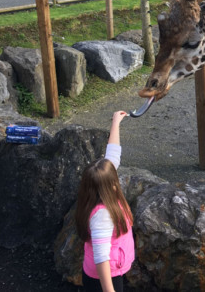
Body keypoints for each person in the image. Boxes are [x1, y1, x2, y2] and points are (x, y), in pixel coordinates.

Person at [76, 111, 134, 292]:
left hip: (109, 270)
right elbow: (101, 257)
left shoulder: (98, 188)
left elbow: (113, 154)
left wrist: (116, 122)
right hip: (103, 279)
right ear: (111, 185)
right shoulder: (102, 215)